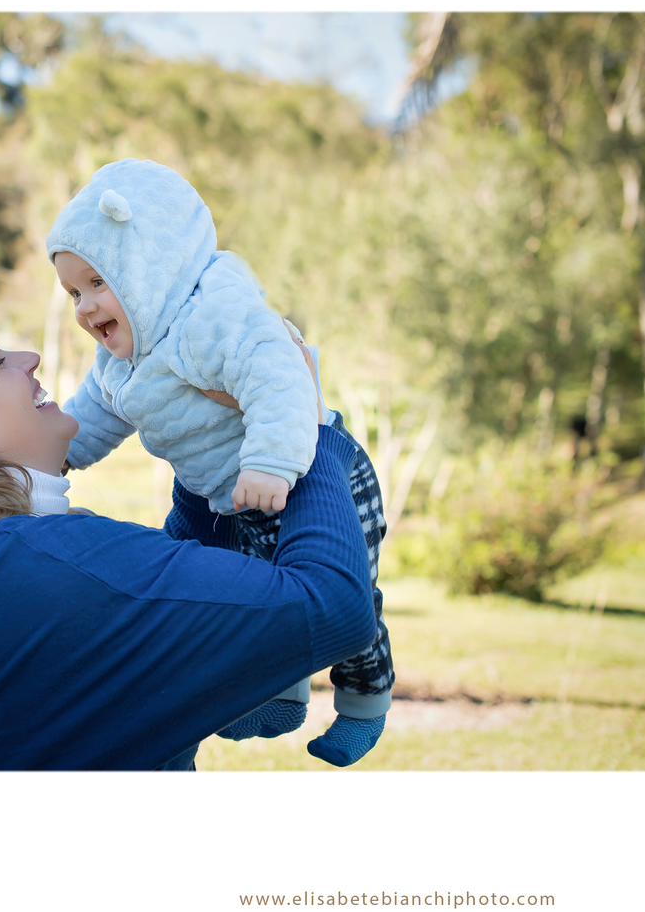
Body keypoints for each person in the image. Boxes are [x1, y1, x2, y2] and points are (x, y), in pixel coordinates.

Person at [0, 311, 375, 770]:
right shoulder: (42, 568)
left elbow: (173, 605)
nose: (29, 357)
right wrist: (306, 425)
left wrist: (201, 464)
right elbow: (330, 605)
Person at [47, 158, 392, 766]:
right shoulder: (120, 364)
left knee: (349, 598)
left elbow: (281, 375)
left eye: (99, 284)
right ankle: (279, 694)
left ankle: (365, 702)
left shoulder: (210, 320)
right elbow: (95, 414)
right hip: (235, 498)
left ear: (149, 269)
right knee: (257, 588)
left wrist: (270, 462)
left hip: (310, 470)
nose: (83, 307)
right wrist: (56, 455)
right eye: (74, 292)